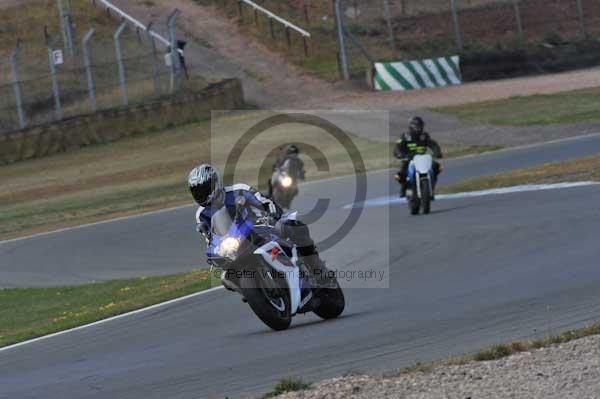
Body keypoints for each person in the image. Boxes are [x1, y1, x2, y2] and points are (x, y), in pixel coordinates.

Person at [188, 163, 330, 290]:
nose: (201, 194)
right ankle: (254, 291)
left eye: (204, 189)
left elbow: (265, 202)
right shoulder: (200, 214)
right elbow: (210, 237)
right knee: (225, 277)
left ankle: (317, 269)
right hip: (234, 243)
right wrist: (215, 253)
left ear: (214, 183)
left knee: (292, 226)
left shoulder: (238, 190)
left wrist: (274, 215)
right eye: (197, 191)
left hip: (259, 225)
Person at [394, 116, 443, 198]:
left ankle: (431, 188)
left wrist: (437, 152)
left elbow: (433, 144)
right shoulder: (405, 136)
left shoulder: (424, 136)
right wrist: (399, 154)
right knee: (400, 173)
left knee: (437, 167)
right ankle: (404, 187)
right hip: (409, 159)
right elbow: (397, 147)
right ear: (412, 127)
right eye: (417, 126)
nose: (419, 128)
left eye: (421, 126)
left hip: (423, 159)